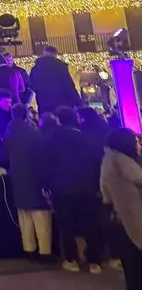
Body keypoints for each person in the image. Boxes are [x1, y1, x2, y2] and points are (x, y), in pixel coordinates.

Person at [44, 106, 105, 273]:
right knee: (91, 226)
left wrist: (47, 186)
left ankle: (72, 259)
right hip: (88, 188)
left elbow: (47, 166)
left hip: (62, 189)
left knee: (67, 226)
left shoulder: (50, 139)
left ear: (58, 119)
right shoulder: (87, 139)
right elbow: (97, 163)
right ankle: (94, 261)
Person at [2, 104, 52, 262]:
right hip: (34, 179)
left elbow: (3, 155)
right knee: (41, 219)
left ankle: (29, 250)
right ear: (26, 115)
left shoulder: (9, 132)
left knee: (25, 218)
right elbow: (43, 156)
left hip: (18, 179)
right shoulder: (33, 133)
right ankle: (45, 252)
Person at [101, 127, 142, 289]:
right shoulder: (122, 170)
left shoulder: (114, 163)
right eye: (135, 141)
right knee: (135, 271)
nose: (138, 144)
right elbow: (130, 207)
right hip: (132, 227)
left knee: (133, 272)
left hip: (124, 226)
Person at [29, 46, 80, 115]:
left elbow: (32, 85)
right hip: (63, 102)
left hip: (44, 102)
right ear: (55, 54)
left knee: (48, 123)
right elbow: (69, 86)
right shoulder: (61, 67)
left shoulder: (36, 69)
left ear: (44, 54)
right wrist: (78, 102)